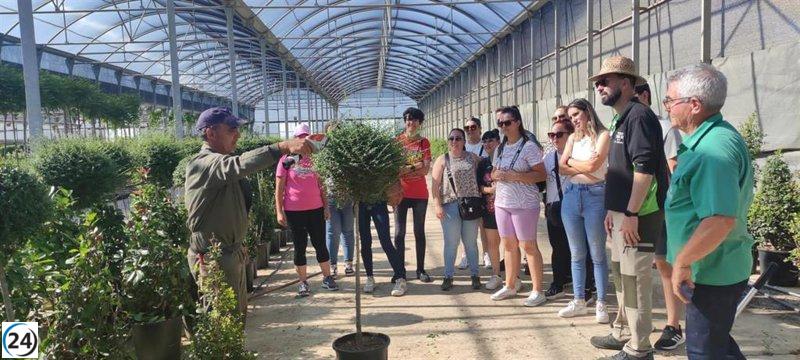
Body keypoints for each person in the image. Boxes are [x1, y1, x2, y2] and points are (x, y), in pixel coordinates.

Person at [185, 107, 314, 319]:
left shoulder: (222, 162)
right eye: (231, 129)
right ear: (210, 133)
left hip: (231, 253)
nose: (238, 134)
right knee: (222, 322)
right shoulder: (203, 164)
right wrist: (282, 147)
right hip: (214, 257)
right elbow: (239, 164)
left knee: (236, 318)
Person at [664, 64, 753, 359]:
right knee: (718, 346)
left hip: (710, 274)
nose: (666, 107)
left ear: (694, 105)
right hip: (711, 267)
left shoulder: (711, 151)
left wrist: (683, 263)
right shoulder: (709, 140)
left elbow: (719, 220)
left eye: (670, 100)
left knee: (706, 352)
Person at [589, 56, 669, 360]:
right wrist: (614, 210)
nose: (599, 86)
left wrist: (633, 214)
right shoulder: (621, 117)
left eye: (604, 81)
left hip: (640, 214)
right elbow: (620, 169)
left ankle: (639, 348)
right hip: (623, 214)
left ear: (626, 83)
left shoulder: (639, 116)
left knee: (635, 280)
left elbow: (644, 169)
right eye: (598, 82)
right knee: (621, 275)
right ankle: (623, 331)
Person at [635, 83, 685, 350]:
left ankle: (674, 325)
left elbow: (674, 169)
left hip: (663, 207)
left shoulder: (665, 128)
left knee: (667, 265)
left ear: (643, 96)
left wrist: (673, 210)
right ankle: (636, 324)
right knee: (646, 266)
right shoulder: (631, 126)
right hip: (640, 208)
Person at [557, 99, 611, 323]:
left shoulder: (602, 135)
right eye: (571, 117)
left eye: (577, 114)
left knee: (597, 253)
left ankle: (601, 302)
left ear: (588, 112)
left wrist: (574, 164)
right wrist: (584, 165)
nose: (574, 120)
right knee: (577, 252)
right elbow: (561, 167)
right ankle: (579, 299)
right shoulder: (572, 138)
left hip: (595, 196)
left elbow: (593, 167)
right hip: (571, 196)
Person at [488, 106, 548, 307]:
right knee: (508, 245)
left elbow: (541, 174)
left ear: (517, 122)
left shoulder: (529, 147)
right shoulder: (500, 148)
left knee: (528, 245)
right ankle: (510, 284)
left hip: (524, 204)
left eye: (507, 122)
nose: (503, 127)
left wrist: (514, 176)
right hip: (503, 202)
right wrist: (495, 176)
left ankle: (538, 290)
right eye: (500, 124)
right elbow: (494, 172)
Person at [276, 123, 339, 297]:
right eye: (300, 137)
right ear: (294, 139)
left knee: (320, 244)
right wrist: (279, 211)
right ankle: (303, 282)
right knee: (299, 246)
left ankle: (327, 278)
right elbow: (279, 188)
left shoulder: (316, 158)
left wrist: (326, 206)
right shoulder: (285, 160)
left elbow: (322, 185)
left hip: (316, 208)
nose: (303, 140)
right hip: (294, 210)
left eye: (306, 136)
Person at [431, 128, 483, 291]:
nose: (454, 141)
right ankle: (448, 276)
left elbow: (484, 172)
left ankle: (475, 275)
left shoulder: (473, 158)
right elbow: (435, 185)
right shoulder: (442, 160)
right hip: (450, 206)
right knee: (451, 243)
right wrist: (437, 204)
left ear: (464, 141)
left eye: (458, 138)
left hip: (470, 205)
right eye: (451, 138)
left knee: (470, 243)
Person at [394, 107, 433, 297]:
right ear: (405, 122)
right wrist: (414, 166)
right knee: (399, 234)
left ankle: (420, 269)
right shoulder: (397, 142)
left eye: (415, 120)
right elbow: (396, 170)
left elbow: (426, 170)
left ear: (420, 123)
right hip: (401, 193)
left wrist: (407, 168)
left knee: (419, 232)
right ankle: (400, 272)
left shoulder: (424, 142)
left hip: (420, 195)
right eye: (408, 119)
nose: (411, 123)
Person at [459, 117, 492, 271]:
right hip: (466, 192)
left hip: (483, 191)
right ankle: (465, 255)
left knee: (484, 225)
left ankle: (487, 254)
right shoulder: (461, 147)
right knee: (466, 225)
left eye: (473, 127)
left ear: (479, 128)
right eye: (467, 128)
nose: (470, 130)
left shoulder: (485, 145)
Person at [323, 121, 355, 278]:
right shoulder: (323, 152)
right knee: (332, 232)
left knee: (348, 231)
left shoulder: (349, 151)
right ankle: (333, 265)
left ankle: (349, 263)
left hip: (347, 197)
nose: (334, 135)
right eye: (331, 132)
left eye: (337, 132)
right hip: (330, 197)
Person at [358, 201, 407, 295]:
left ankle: (400, 278)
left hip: (378, 202)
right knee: (365, 242)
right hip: (361, 203)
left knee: (385, 241)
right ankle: (369, 277)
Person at [476, 129, 504, 290]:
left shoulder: (505, 160)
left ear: (498, 142)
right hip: (490, 208)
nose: (487, 144)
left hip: (509, 207)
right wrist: (490, 191)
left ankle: (513, 276)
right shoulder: (483, 163)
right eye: (484, 141)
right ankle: (496, 275)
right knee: (493, 243)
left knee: (510, 243)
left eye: (490, 141)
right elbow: (479, 187)